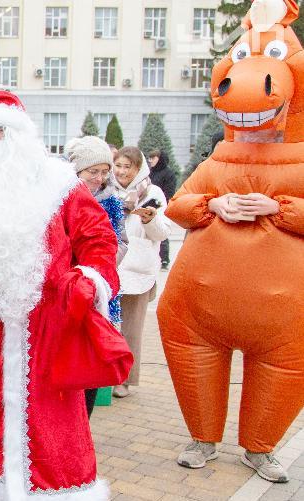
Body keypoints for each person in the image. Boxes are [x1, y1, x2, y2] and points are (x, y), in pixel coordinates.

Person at [0, 91, 128, 501]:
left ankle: (58, 493)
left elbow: (99, 240)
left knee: (55, 419)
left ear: (21, 134)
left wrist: (89, 279)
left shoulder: (59, 185)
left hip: (51, 323)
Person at [158, 0, 304, 483]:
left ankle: (259, 448)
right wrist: (212, 206)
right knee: (194, 355)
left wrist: (278, 208)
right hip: (199, 308)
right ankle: (202, 439)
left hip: (284, 317)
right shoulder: (217, 162)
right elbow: (177, 204)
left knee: (283, 369)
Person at [64, 135, 128, 416]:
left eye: (105, 172)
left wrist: (101, 266)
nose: (100, 178)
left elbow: (121, 241)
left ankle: (84, 416)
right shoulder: (62, 198)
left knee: (93, 353)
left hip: (100, 288)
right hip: (70, 289)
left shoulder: (110, 201)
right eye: (93, 172)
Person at [109, 147, 169, 399]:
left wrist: (149, 219)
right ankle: (102, 377)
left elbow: (163, 233)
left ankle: (125, 380)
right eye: (119, 166)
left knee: (131, 330)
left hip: (137, 270)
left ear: (139, 168)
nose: (122, 171)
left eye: (128, 167)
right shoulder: (108, 190)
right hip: (109, 267)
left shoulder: (152, 193)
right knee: (106, 327)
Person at [146, 149, 177, 270]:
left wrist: (159, 202)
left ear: (160, 159)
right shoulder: (150, 172)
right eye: (150, 158)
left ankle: (164, 259)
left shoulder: (169, 174)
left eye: (153, 158)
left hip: (161, 204)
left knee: (161, 230)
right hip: (148, 204)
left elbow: (169, 191)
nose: (150, 160)